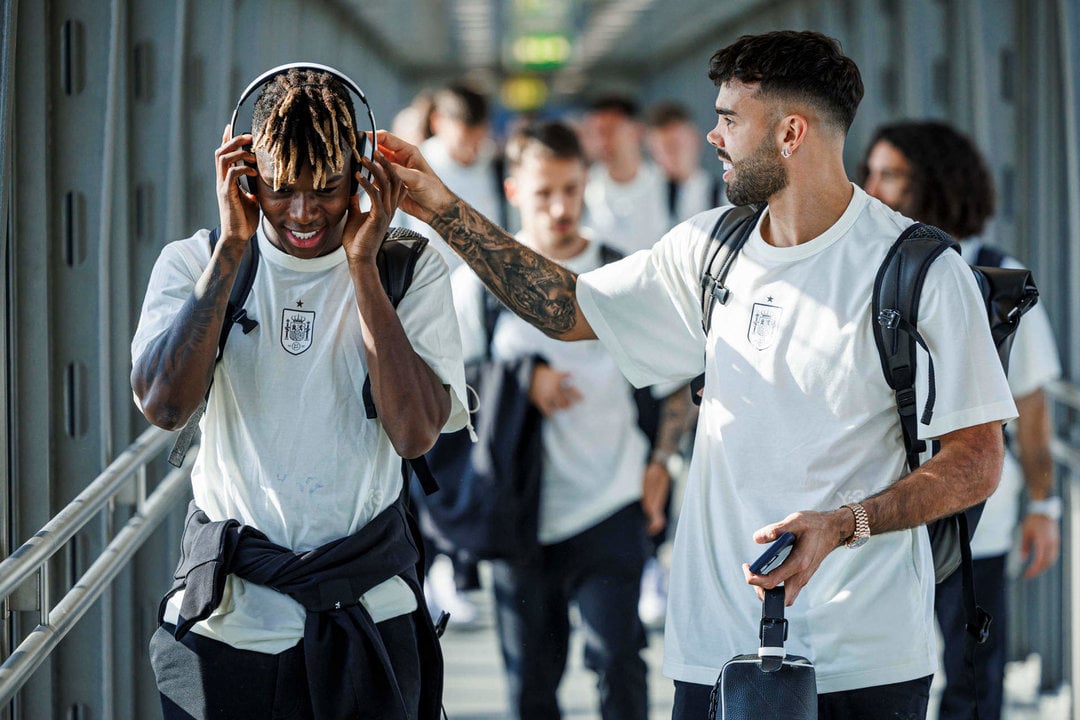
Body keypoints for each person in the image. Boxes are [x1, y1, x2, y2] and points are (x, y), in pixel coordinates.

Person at [379, 29, 1016, 720]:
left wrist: (846, 523)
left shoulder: (923, 272)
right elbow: (567, 307)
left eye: (730, 119)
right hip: (712, 652)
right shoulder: (709, 249)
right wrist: (441, 209)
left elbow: (977, 461)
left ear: (791, 133)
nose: (714, 136)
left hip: (864, 660)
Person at [130, 66, 468, 720]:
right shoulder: (194, 262)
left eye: (328, 188)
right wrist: (232, 248)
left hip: (367, 615)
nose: (305, 211)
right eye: (282, 189)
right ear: (244, 170)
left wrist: (364, 269)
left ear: (363, 172)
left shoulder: (408, 268)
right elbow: (165, 406)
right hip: (228, 625)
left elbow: (415, 433)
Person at [450, 120, 694, 720]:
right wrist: (517, 380)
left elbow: (676, 388)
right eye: (543, 193)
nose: (560, 207)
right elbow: (444, 398)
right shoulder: (476, 287)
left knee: (619, 661)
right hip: (518, 516)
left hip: (610, 503)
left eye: (571, 189)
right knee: (531, 683)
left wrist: (660, 466)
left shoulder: (619, 274)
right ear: (512, 193)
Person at [860, 119, 1062, 720]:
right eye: (868, 172)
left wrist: (1045, 507)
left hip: (981, 521)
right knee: (881, 678)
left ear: (938, 185)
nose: (870, 190)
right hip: (886, 512)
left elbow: (1030, 404)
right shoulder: (868, 270)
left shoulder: (1000, 277)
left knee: (974, 678)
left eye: (889, 175)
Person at [398, 82, 507, 273]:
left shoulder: (495, 165)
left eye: (478, 141)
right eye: (463, 142)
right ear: (437, 122)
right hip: (427, 283)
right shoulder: (412, 167)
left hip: (484, 285)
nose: (471, 151)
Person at [580, 95, 671, 254]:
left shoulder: (670, 186)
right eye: (595, 132)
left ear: (637, 131)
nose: (602, 142)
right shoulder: (581, 188)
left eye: (609, 131)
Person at [645, 100, 724, 225]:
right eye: (663, 147)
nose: (671, 154)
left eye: (677, 145)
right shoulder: (640, 195)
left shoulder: (720, 196)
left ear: (696, 140)